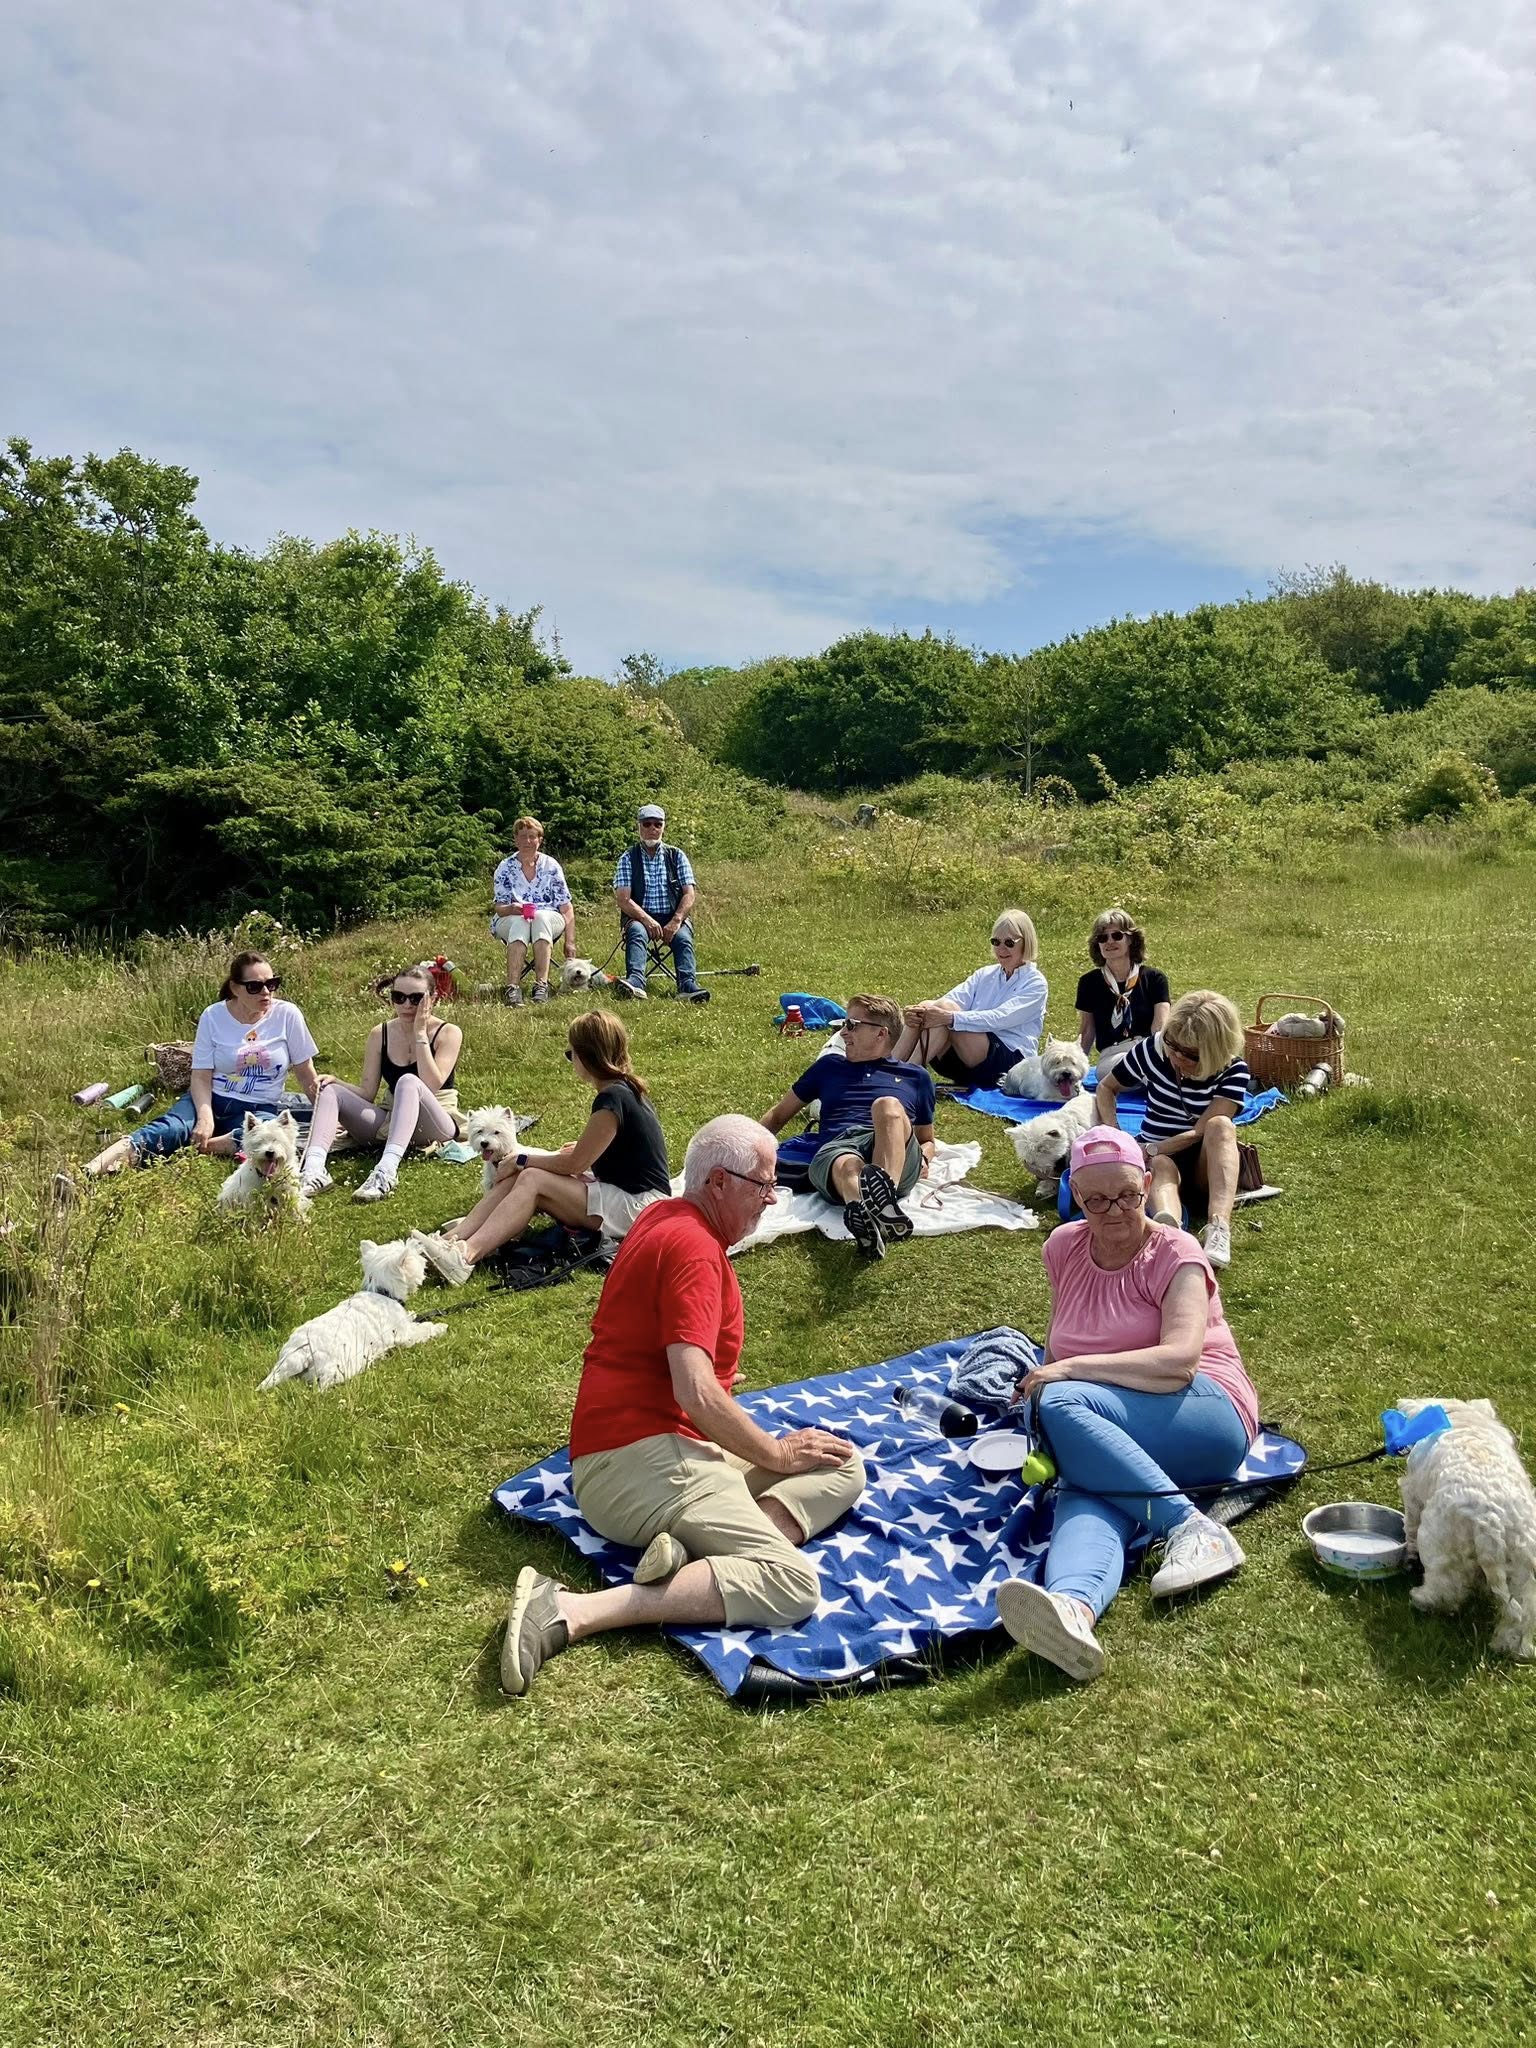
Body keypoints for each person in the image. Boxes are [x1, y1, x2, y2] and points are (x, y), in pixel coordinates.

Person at [498, 1114, 865, 1697]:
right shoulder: (694, 1249)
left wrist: (727, 1403)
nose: (772, 1199)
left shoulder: (665, 1215)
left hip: (648, 1448)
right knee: (792, 1584)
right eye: (763, 1185)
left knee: (840, 1462)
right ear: (718, 1181)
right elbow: (693, 1391)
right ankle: (571, 1609)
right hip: (639, 1461)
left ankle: (693, 1554)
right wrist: (772, 1452)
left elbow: (678, 1371)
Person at [995, 1125, 1259, 1684]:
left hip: (1205, 1409)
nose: (1114, 1211)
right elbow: (1062, 1341)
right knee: (1089, 1479)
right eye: (1096, 1200)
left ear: (1146, 1185)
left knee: (1064, 1411)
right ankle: (1073, 1609)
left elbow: (1179, 1362)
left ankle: (1193, 1529)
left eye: (1127, 1196)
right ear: (1074, 1193)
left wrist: (1065, 1375)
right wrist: (1047, 1386)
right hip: (1111, 1413)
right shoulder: (1062, 1247)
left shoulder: (1177, 1252)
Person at [412, 1009, 670, 1284]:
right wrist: (578, 1150)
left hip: (639, 1207)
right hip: (628, 1197)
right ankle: (451, 1240)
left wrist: (522, 1160)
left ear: (587, 1055)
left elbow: (575, 1164)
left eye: (571, 1054)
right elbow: (615, 1150)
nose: (571, 1060)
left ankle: (465, 1256)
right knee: (524, 1174)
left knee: (532, 1176)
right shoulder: (623, 1091)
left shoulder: (612, 1099)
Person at [75, 952, 321, 1180]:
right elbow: (201, 1075)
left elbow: (305, 1073)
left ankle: (197, 1146)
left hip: (258, 1106)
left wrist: (328, 1116)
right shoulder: (213, 1016)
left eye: (272, 984)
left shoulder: (288, 1015)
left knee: (263, 1140)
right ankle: (89, 1172)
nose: (266, 992)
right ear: (235, 988)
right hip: (210, 1097)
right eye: (255, 987)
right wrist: (205, 1119)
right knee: (170, 1128)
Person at [759, 994, 935, 1259]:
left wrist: (925, 1157)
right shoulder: (828, 1067)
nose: (843, 1032)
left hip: (893, 1148)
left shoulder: (916, 1077)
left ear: (881, 1033)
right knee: (846, 1164)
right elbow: (778, 1115)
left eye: (852, 1025)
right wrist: (744, 1150)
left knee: (886, 1106)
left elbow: (926, 1138)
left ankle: (882, 1197)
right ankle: (870, 1216)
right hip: (838, 1146)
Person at [1094, 990, 1250, 1270]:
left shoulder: (1234, 1070)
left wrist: (1150, 1149)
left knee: (1221, 1126)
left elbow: (1199, 1132)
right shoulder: (1153, 1050)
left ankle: (1218, 1227)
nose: (1177, 1056)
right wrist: (1117, 1134)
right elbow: (1106, 1087)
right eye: (1172, 1044)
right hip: (1159, 1160)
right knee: (1161, 1166)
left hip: (1203, 1163)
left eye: (1189, 1054)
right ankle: (1169, 1231)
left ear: (1214, 1050)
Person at [298, 962, 464, 1202]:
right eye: (399, 997)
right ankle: (314, 1170)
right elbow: (367, 1092)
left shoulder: (448, 1032)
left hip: (436, 1119)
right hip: (391, 1116)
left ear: (433, 999)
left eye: (416, 998)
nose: (407, 1005)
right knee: (330, 1090)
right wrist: (337, 1082)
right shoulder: (381, 1033)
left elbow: (431, 1084)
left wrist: (419, 1034)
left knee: (408, 1081)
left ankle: (386, 1171)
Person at [889, 909, 1048, 1087]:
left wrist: (950, 1018)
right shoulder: (985, 974)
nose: (1001, 949)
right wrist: (919, 1014)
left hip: (1011, 1063)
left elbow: (1001, 1018)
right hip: (970, 1056)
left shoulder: (1035, 983)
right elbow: (948, 1002)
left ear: (1026, 943)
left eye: (1009, 943)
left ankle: (904, 1077)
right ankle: (889, 1070)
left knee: (945, 1014)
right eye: (996, 942)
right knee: (927, 1007)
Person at [610, 802, 709, 1003]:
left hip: (673, 916)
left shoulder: (676, 855)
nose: (652, 828)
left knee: (683, 938)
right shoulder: (628, 858)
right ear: (639, 827)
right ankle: (636, 982)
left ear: (663, 827)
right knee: (637, 932)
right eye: (647, 824)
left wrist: (676, 920)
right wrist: (647, 920)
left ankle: (687, 985)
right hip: (639, 917)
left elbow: (689, 894)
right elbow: (623, 899)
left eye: (658, 824)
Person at [491, 815, 576, 1006]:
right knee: (521, 921)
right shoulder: (505, 867)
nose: (527, 841)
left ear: (540, 840)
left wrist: (570, 942)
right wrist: (513, 908)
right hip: (511, 916)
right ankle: (512, 988)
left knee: (539, 917)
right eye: (522, 837)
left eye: (532, 836)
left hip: (548, 917)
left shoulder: (551, 866)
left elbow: (566, 906)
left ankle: (541, 985)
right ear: (515, 839)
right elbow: (499, 907)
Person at [1075, 909, 1171, 1076]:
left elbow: (1160, 1027)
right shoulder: (1089, 982)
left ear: (1131, 939)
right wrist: (1075, 1068)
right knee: (1116, 1070)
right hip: (1112, 1056)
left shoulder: (1154, 978)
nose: (1109, 942)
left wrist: (1157, 1055)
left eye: (1117, 935)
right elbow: (1087, 1031)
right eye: (1102, 938)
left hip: (1147, 1049)